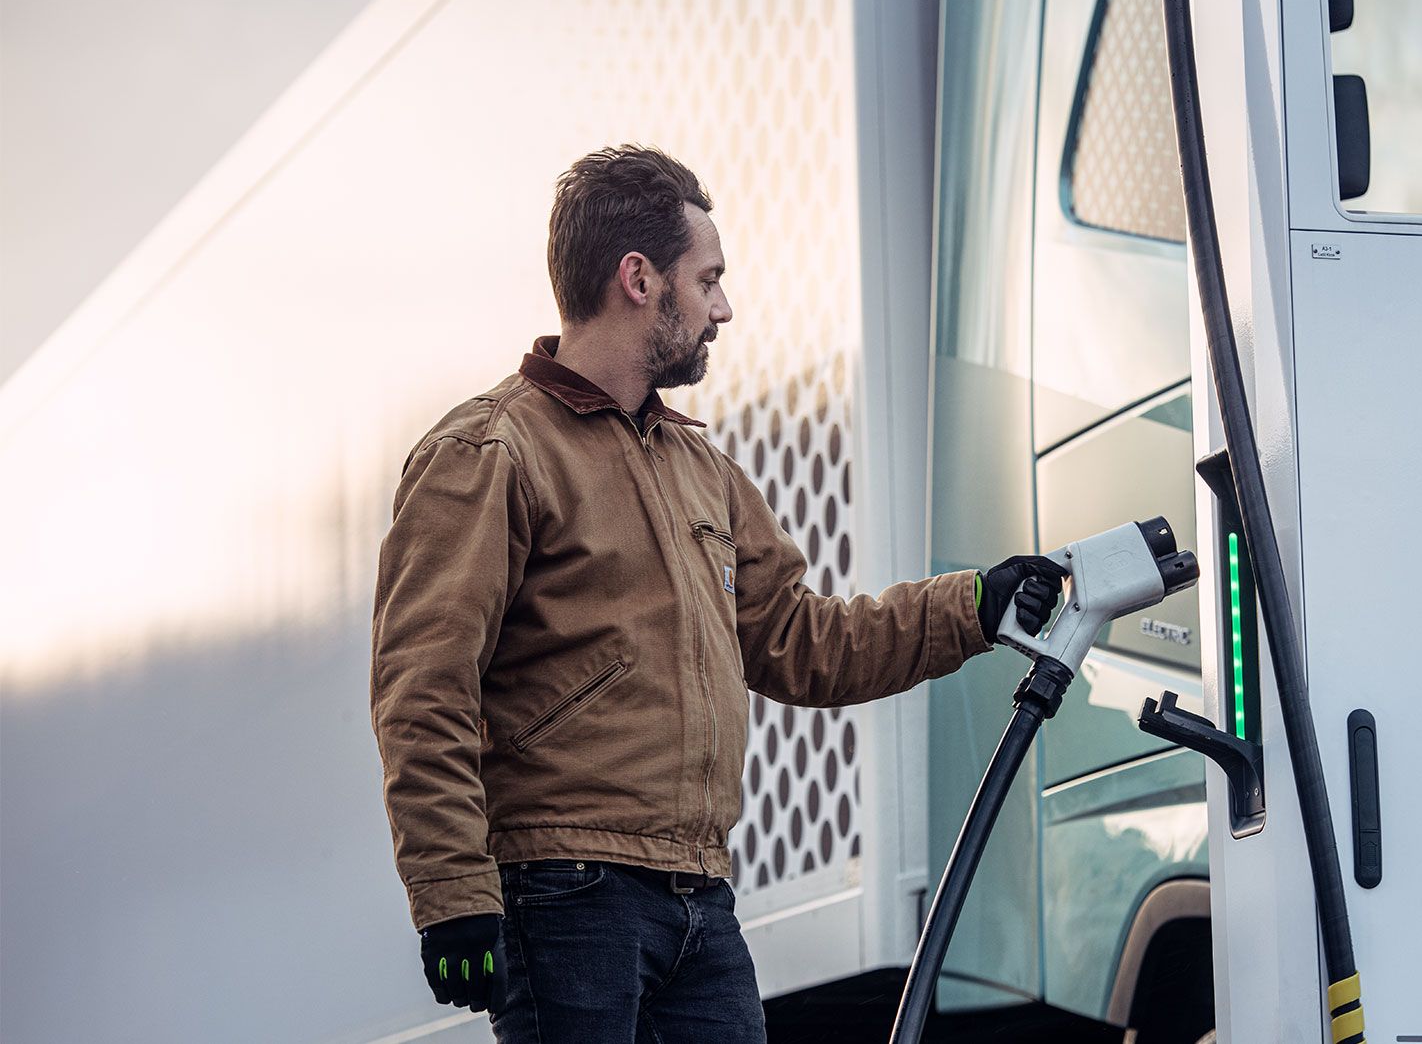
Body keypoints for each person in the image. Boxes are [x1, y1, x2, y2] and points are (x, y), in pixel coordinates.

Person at [369, 144, 1066, 1043]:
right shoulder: (491, 453)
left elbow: (799, 641)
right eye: (708, 279)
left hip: (699, 898)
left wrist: (970, 606)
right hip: (564, 893)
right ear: (638, 279)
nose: (723, 308)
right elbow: (422, 689)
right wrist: (451, 892)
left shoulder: (703, 470)